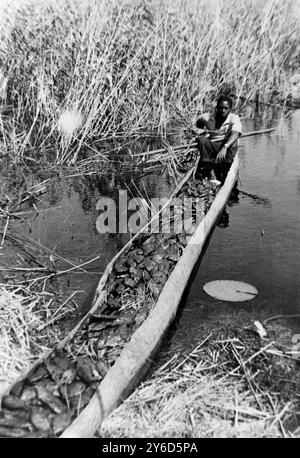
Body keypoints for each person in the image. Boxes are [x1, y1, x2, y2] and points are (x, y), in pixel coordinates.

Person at [194, 95, 242, 182]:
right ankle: (210, 170)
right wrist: (201, 131)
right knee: (201, 140)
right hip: (213, 146)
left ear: (230, 109)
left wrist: (225, 146)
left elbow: (235, 133)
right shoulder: (207, 117)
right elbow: (198, 123)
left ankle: (225, 169)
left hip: (226, 146)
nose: (223, 111)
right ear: (217, 108)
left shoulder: (234, 118)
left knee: (234, 142)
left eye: (226, 108)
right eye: (220, 108)